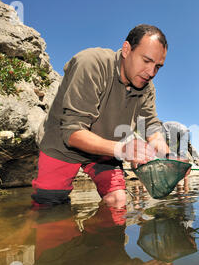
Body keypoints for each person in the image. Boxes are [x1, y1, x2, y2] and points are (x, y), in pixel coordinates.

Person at [32, 25, 174, 208]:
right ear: (126, 49)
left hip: (107, 151)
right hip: (62, 144)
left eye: (158, 67)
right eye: (146, 61)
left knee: (118, 201)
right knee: (48, 207)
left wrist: (168, 158)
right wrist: (124, 150)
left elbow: (151, 127)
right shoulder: (91, 63)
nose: (151, 72)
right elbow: (73, 132)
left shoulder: (147, 87)